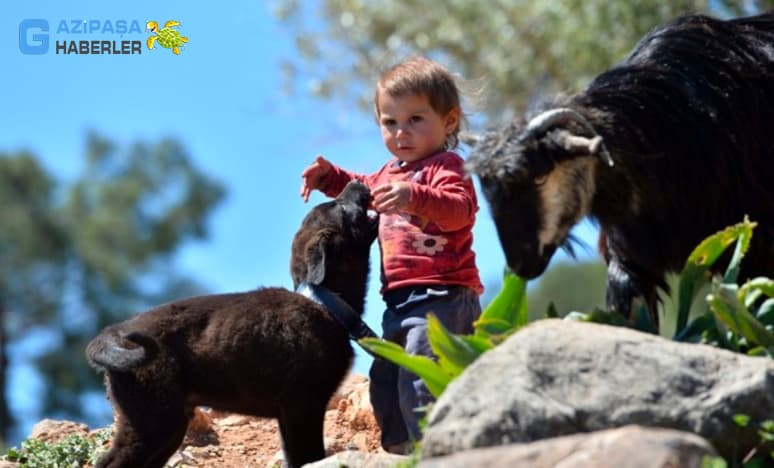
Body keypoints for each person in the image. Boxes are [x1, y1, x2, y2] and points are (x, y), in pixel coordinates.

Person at [299, 55, 483, 454]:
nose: (402, 132)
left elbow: (459, 210)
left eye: (416, 119)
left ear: (449, 121)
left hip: (444, 299)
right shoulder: (388, 173)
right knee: (387, 380)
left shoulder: (447, 166)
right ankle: (400, 453)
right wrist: (329, 177)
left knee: (424, 378)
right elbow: (359, 185)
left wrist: (415, 197)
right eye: (390, 122)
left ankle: (439, 452)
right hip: (398, 302)